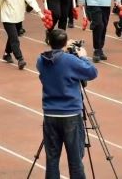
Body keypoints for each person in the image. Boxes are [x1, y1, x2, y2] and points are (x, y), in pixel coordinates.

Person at [37, 28, 98, 179]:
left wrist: (63, 48)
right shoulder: (70, 60)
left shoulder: (41, 60)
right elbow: (92, 72)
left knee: (52, 159)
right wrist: (83, 57)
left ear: (49, 42)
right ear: (64, 43)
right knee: (75, 160)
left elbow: (55, 65)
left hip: (50, 114)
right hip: (70, 114)